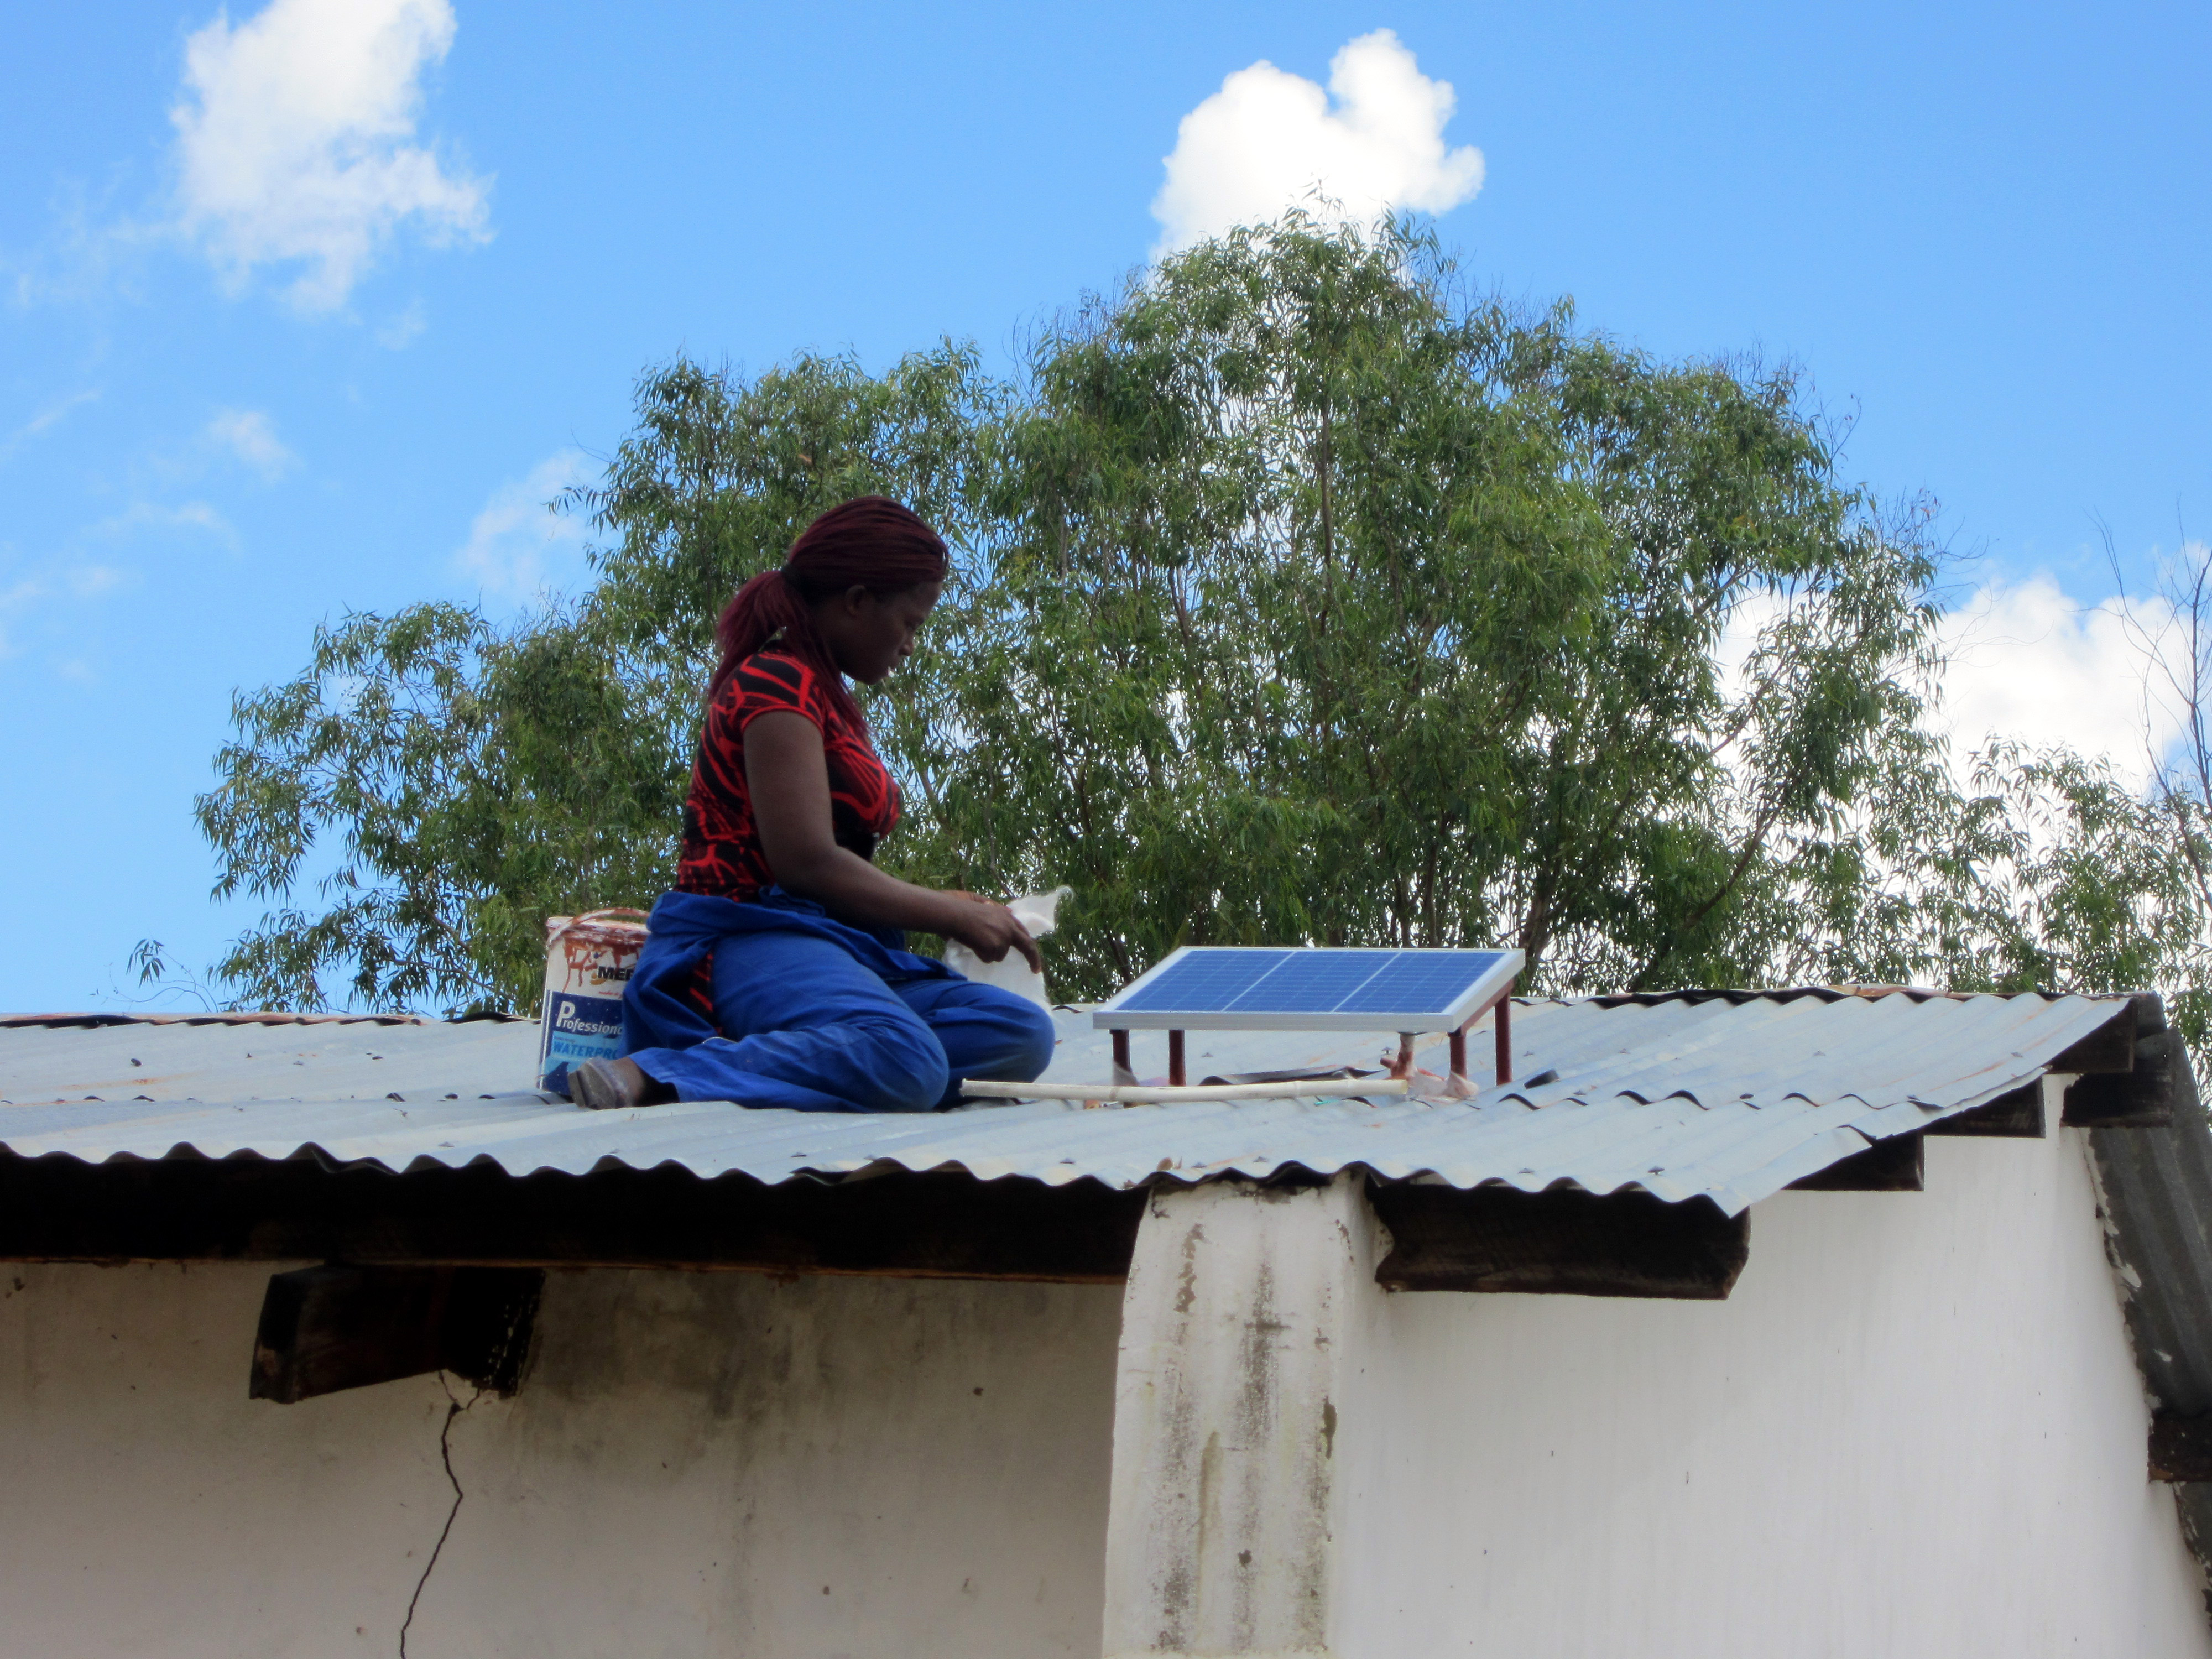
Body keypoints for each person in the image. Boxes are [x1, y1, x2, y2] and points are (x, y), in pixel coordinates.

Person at [565, 497, 1058, 1113]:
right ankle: (662, 1071)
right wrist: (948, 916)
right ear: (856, 602)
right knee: (908, 1059)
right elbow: (805, 863)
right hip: (746, 941)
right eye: (909, 624)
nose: (910, 645)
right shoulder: (773, 683)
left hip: (827, 945)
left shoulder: (825, 697)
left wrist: (946, 902)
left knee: (1021, 1034)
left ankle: (820, 1060)